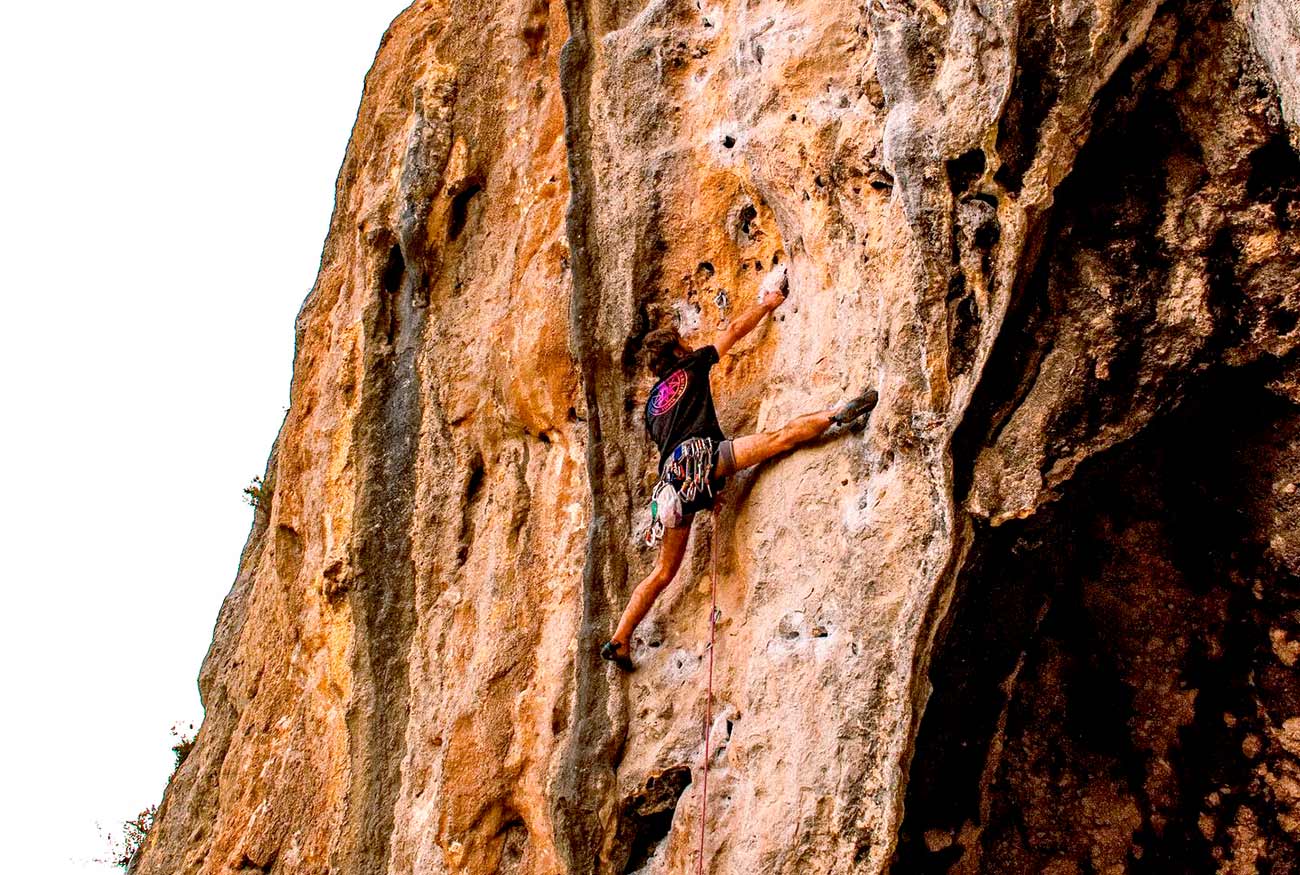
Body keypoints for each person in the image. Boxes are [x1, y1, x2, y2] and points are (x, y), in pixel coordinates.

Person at [600, 264, 879, 671]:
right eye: (683, 342)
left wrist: (702, 494)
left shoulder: (651, 409)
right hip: (704, 457)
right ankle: (835, 414)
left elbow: (669, 444)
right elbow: (730, 334)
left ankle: (620, 639)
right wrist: (766, 304)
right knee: (776, 439)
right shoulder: (691, 365)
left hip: (671, 484)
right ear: (677, 351)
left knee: (662, 572)